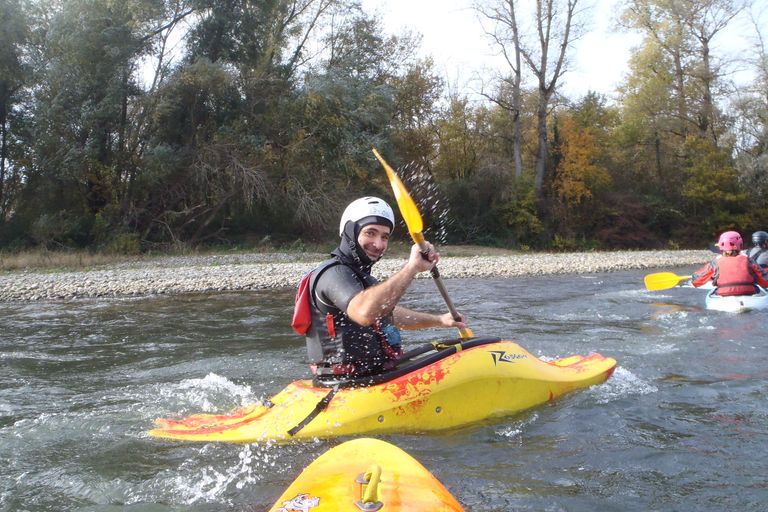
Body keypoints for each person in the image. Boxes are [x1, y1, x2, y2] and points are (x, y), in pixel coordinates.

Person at [302, 196, 466, 380]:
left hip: (376, 375)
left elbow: (387, 314)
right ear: (350, 230)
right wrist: (412, 268)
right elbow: (365, 313)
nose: (378, 244)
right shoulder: (334, 274)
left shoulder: (360, 277)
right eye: (370, 233)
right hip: (345, 384)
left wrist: (440, 320)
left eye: (384, 237)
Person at [691, 230, 768, 295]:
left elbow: (696, 282)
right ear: (740, 244)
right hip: (748, 293)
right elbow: (765, 282)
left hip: (724, 294)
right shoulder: (748, 260)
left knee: (715, 289)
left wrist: (710, 277)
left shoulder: (715, 262)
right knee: (756, 287)